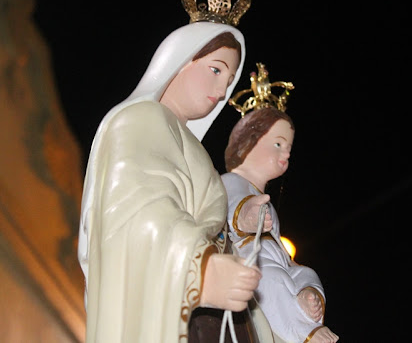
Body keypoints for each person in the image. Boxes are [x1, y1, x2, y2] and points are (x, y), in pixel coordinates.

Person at [77, 21, 269, 342]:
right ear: (180, 60)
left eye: (230, 80)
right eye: (216, 70)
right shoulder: (141, 118)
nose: (222, 91)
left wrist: (239, 227)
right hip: (183, 306)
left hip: (207, 316)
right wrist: (201, 271)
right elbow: (136, 213)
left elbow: (205, 222)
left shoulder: (191, 146)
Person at [223, 107, 339, 343]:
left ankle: (306, 307)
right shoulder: (231, 180)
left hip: (277, 259)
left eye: (289, 147)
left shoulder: (267, 203)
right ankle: (304, 332)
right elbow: (233, 205)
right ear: (249, 143)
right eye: (278, 144)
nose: (286, 153)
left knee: (307, 274)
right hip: (250, 253)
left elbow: (278, 246)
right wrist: (247, 215)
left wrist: (295, 268)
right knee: (270, 277)